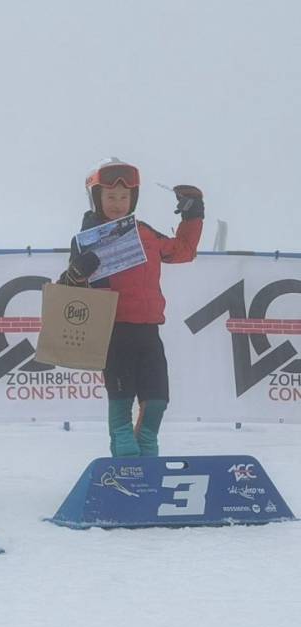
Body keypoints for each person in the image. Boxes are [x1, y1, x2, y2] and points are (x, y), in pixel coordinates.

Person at [60, 158, 203, 457]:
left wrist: (193, 214)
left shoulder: (144, 233)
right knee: (122, 414)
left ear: (133, 199)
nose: (117, 203)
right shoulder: (87, 241)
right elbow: (66, 292)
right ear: (96, 198)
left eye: (124, 197)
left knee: (157, 404)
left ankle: (148, 471)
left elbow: (184, 251)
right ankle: (124, 470)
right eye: (110, 197)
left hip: (149, 332)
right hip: (114, 334)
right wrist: (77, 272)